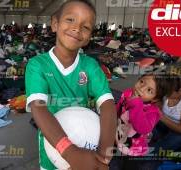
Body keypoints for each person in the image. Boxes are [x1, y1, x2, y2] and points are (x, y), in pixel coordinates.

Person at [25, 0, 117, 170]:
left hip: (88, 142)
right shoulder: (37, 65)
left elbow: (107, 104)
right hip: (52, 147)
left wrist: (104, 155)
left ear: (89, 37)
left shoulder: (90, 66)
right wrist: (70, 153)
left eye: (86, 26)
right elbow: (38, 108)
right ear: (54, 24)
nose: (77, 28)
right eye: (70, 19)